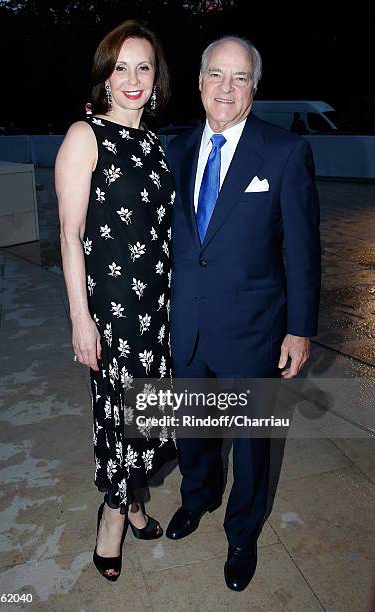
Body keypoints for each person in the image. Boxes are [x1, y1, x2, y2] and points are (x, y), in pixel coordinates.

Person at [165, 36, 320, 591]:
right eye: (216, 75)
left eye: (239, 78)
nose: (226, 89)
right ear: (199, 81)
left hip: (255, 330)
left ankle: (242, 531)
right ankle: (197, 498)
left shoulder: (283, 152)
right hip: (187, 325)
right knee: (194, 430)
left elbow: (302, 251)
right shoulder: (174, 150)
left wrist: (300, 329)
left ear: (255, 87)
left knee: (253, 444)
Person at [55, 20, 177, 582]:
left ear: (157, 77)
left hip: (158, 305)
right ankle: (113, 517)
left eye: (144, 66)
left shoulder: (153, 140)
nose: (133, 78)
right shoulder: (86, 135)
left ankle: (133, 502)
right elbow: (70, 233)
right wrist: (81, 319)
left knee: (148, 414)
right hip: (114, 309)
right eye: (121, 66)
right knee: (119, 417)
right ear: (105, 74)